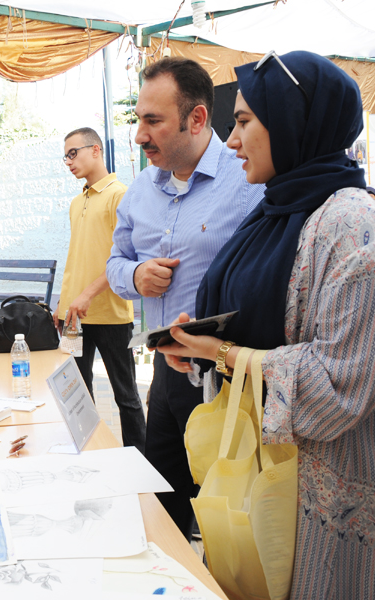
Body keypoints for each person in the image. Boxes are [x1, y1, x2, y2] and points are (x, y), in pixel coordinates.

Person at [157, 51, 375, 598]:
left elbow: (340, 385)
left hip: (336, 493)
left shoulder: (353, 228)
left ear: (294, 122)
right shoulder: (281, 208)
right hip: (281, 480)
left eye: (244, 121)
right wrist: (202, 345)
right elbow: (261, 319)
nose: (231, 141)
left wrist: (224, 355)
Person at [105, 56, 265, 540]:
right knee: (161, 507)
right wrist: (136, 276)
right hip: (166, 374)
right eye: (138, 119)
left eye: (153, 121)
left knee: (226, 521)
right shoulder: (139, 191)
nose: (139, 135)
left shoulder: (249, 181)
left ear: (196, 119)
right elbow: (115, 264)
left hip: (227, 380)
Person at [53, 127, 145, 453]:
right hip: (73, 316)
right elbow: (77, 257)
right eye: (65, 156)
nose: (68, 161)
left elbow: (126, 256)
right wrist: (64, 303)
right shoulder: (76, 202)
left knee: (126, 396)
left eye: (73, 153)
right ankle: (90, 456)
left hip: (111, 315)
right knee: (78, 394)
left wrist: (87, 295)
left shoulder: (120, 195)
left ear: (95, 150)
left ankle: (139, 459)